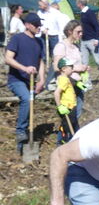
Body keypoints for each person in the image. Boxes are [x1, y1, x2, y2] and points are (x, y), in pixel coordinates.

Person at [4, 12, 45, 148]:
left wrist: (42, 80)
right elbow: (8, 58)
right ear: (27, 25)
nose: (39, 27)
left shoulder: (39, 41)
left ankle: (27, 137)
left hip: (31, 81)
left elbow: (41, 62)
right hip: (16, 79)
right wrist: (24, 68)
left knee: (30, 105)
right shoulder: (17, 38)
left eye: (40, 24)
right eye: (36, 24)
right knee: (27, 99)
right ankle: (21, 131)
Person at [53, 20, 90, 119]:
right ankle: (67, 134)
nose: (81, 34)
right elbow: (57, 67)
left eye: (81, 32)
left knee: (76, 116)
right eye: (78, 32)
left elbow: (75, 63)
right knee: (69, 119)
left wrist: (84, 69)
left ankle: (73, 134)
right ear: (70, 31)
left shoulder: (76, 47)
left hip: (78, 83)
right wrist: (75, 69)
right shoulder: (61, 46)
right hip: (67, 86)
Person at [77, 0, 99, 85]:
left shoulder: (89, 13)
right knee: (84, 63)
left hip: (92, 40)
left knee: (98, 61)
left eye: (77, 3)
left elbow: (97, 26)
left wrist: (96, 39)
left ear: (79, 4)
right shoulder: (82, 13)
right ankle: (86, 82)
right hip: (83, 41)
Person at [54, 58, 79, 143]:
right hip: (67, 108)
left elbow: (77, 84)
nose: (72, 69)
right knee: (67, 127)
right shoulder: (64, 79)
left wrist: (83, 81)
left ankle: (73, 140)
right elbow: (56, 93)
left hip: (72, 106)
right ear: (64, 69)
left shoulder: (66, 78)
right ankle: (63, 142)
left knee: (74, 125)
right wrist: (60, 107)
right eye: (71, 67)